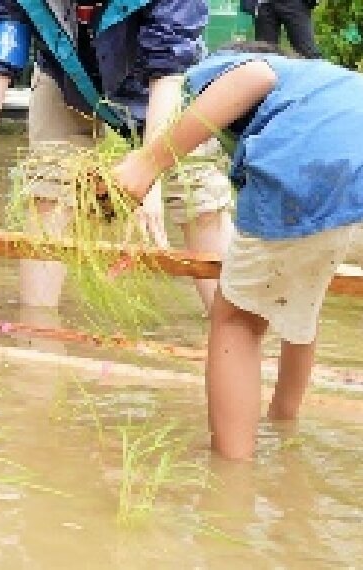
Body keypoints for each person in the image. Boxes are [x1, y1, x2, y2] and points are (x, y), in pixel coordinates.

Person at [110, 41, 363, 459]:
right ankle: (284, 421)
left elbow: (253, 77)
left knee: (236, 322)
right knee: (301, 304)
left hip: (309, 164)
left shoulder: (234, 67)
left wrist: (146, 163)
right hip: (350, 178)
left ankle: (232, 470)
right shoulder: (323, 83)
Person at [0, 0, 234, 313]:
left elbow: (168, 71)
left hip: (165, 83)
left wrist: (150, 177)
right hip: (67, 77)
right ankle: (36, 327)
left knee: (197, 197)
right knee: (48, 187)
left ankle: (232, 325)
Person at [242, 0, 321, 59]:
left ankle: (319, 79)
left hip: (295, 3)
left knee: (308, 53)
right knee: (264, 55)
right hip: (263, 4)